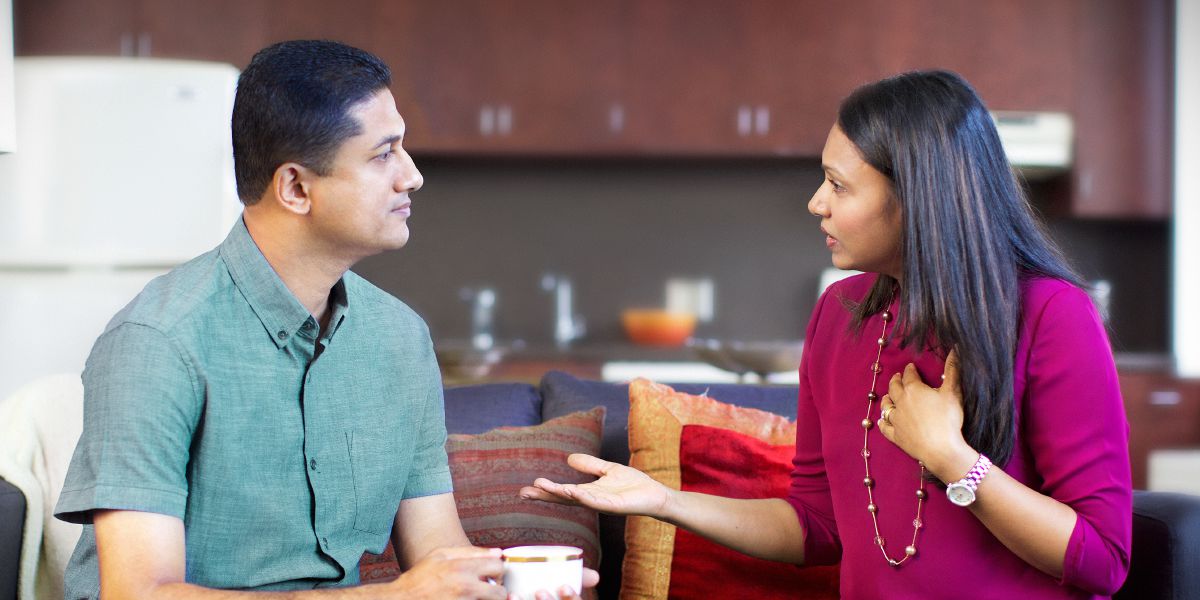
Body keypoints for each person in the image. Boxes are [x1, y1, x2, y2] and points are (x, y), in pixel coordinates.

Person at [523, 70, 1131, 598]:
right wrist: (662, 500)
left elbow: (1103, 561)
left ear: (917, 198)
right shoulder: (840, 314)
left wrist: (954, 461)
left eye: (839, 185)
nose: (817, 203)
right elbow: (817, 527)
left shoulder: (1053, 315)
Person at [54, 40, 593, 600]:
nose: (411, 176)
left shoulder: (399, 337)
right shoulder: (156, 344)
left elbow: (437, 553)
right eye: (383, 154)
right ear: (295, 188)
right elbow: (139, 593)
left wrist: (514, 584)